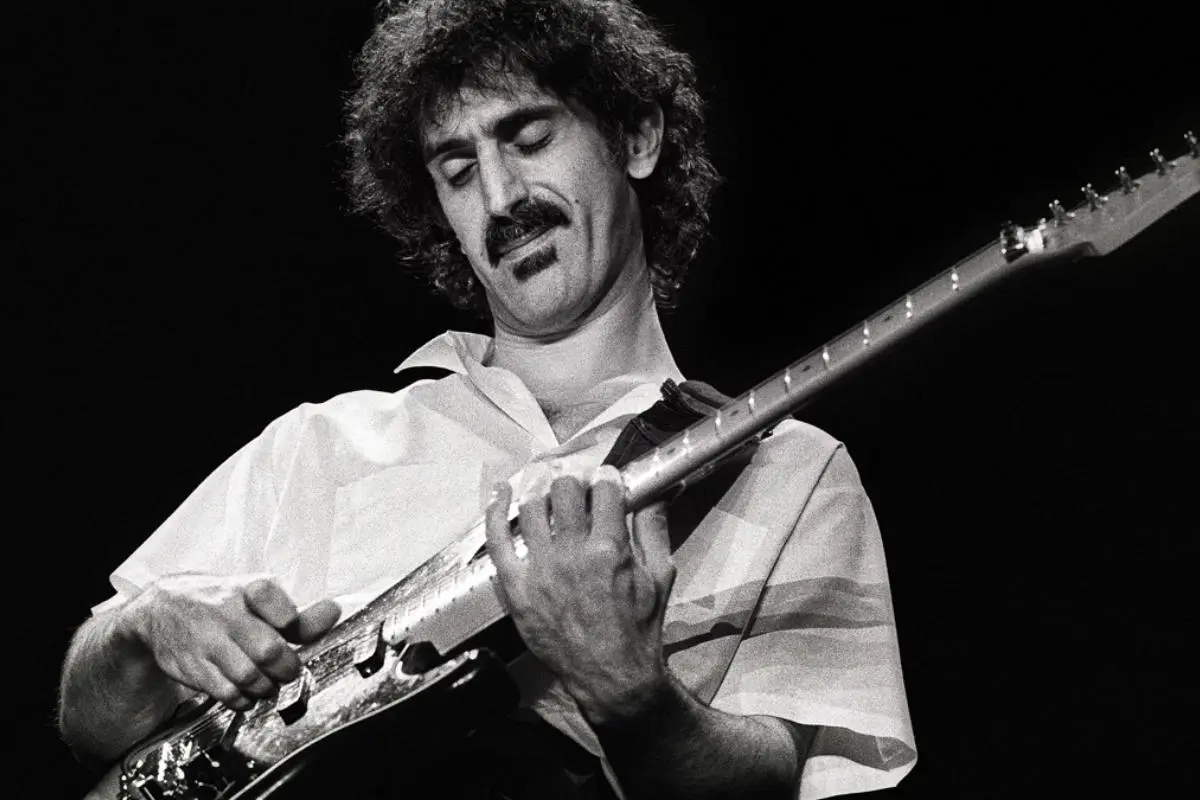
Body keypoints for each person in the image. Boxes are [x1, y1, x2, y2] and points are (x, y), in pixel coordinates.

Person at [57, 1, 915, 797]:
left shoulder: (790, 473)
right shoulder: (319, 443)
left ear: (637, 136)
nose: (501, 198)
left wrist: (632, 697)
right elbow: (89, 722)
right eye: (459, 170)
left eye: (530, 138)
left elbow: (792, 784)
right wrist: (144, 630)